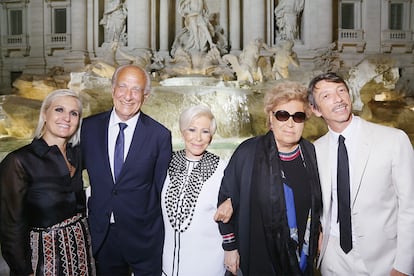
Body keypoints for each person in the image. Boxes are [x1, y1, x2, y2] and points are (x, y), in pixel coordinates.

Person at [307, 72, 414, 275]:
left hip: (383, 259)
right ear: (315, 109)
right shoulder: (316, 149)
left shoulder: (393, 140)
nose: (338, 99)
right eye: (326, 96)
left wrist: (404, 265)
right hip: (333, 258)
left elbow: (410, 207)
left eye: (341, 91)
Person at [216, 81, 322, 275]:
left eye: (298, 117)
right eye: (282, 115)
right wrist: (230, 248)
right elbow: (225, 199)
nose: (290, 123)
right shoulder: (248, 152)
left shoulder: (311, 153)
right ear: (270, 118)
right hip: (259, 256)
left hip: (302, 255)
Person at [81, 64, 172, 275]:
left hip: (144, 237)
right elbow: (73, 173)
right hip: (103, 236)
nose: (128, 96)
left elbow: (161, 189)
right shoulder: (88, 128)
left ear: (146, 95)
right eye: (122, 86)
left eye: (136, 89)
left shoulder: (160, 136)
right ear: (113, 90)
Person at [0, 89, 95, 275]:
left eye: (73, 113)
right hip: (43, 262)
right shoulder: (18, 161)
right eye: (59, 110)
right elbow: (10, 227)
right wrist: (23, 270)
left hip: (83, 254)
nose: (66, 118)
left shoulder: (78, 154)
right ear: (45, 114)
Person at [161, 105, 227, 276]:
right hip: (167, 263)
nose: (198, 138)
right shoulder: (166, 163)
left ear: (211, 137)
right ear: (183, 132)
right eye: (192, 129)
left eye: (205, 131)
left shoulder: (223, 169)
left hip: (207, 264)